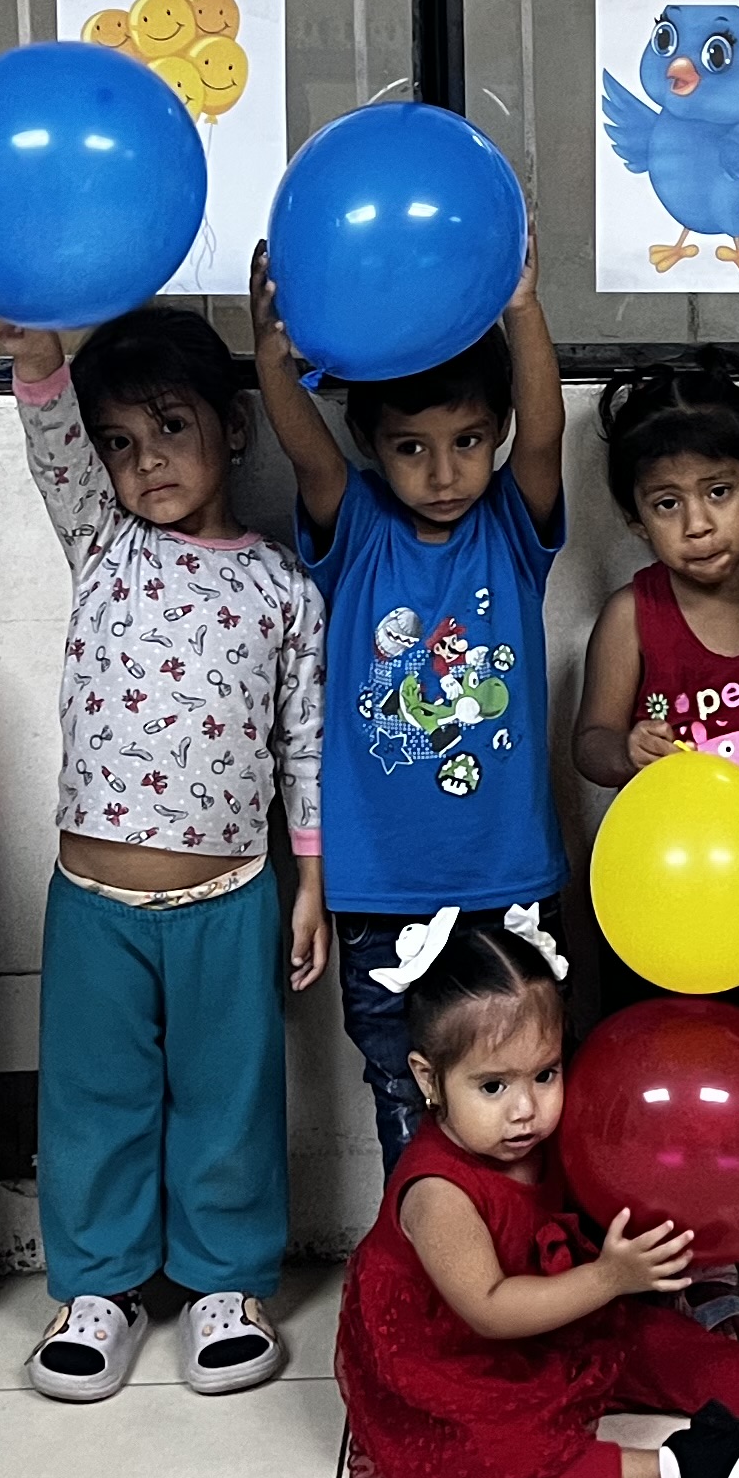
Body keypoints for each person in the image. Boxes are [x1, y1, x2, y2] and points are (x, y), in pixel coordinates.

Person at [0, 303, 325, 1402]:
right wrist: (36, 347)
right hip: (93, 901)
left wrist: (309, 886)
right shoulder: (105, 543)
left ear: (234, 429)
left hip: (232, 896)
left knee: (229, 1099)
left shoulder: (284, 587)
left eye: (172, 429)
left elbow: (304, 745)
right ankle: (100, 1290)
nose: (146, 462)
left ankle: (226, 1284)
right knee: (94, 1103)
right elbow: (50, 433)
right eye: (122, 443)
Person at [333, 904, 739, 1478]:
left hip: (553, 1319)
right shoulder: (438, 1194)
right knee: (496, 1458)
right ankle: (688, 1467)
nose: (526, 1109)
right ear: (429, 1079)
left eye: (545, 1074)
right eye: (493, 1087)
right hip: (458, 1365)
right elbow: (490, 1308)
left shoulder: (546, 1135)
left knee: (654, 1342)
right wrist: (607, 1278)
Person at [254, 246, 566, 1169]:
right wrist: (271, 358)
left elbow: (545, 434)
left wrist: (522, 308)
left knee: (517, 1089)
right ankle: (422, 1241)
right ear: (371, 446)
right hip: (381, 892)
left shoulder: (512, 528)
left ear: (497, 434)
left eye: (468, 441)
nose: (443, 473)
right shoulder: (357, 529)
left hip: (507, 882)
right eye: (410, 448)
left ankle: (516, 1242)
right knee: (404, 1085)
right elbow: (303, 448)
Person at [568, 352, 739, 1346]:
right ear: (636, 519)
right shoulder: (633, 615)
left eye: (718, 493)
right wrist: (626, 750)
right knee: (678, 1079)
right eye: (667, 504)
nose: (698, 523)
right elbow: (590, 742)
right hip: (664, 914)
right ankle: (702, 1257)